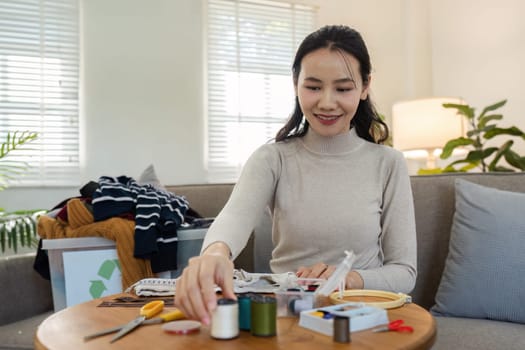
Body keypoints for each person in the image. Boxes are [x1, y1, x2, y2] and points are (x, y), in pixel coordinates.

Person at [175, 24, 417, 325]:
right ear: (295, 83)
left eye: (343, 88)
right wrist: (214, 255)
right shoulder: (272, 158)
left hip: (362, 318)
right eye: (313, 87)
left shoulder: (388, 163)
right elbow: (233, 219)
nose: (327, 102)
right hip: (289, 318)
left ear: (365, 86)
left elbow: (404, 272)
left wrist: (348, 279)